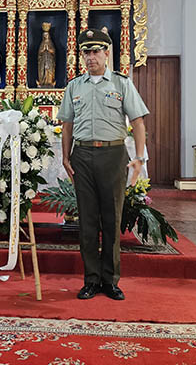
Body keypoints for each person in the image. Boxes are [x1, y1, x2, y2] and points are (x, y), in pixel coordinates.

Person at [57, 28, 149, 301]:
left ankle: (110, 280)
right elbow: (67, 126)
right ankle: (91, 279)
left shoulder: (121, 84)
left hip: (112, 155)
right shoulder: (74, 86)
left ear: (107, 53)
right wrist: (65, 157)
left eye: (96, 51)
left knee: (111, 219)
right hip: (82, 156)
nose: (90, 57)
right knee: (87, 221)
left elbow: (138, 122)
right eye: (86, 52)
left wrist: (140, 158)